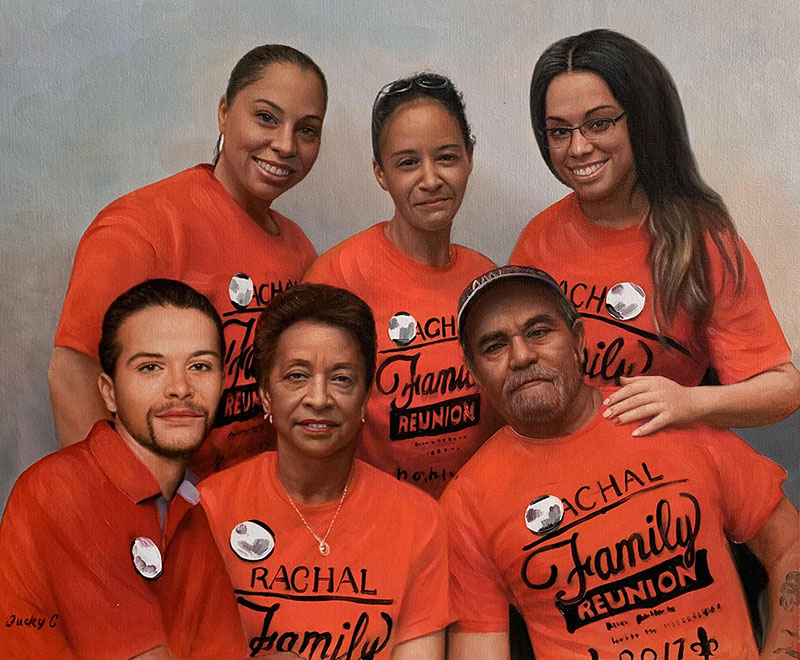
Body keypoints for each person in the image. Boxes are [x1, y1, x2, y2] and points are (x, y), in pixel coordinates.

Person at [442, 265, 800, 660]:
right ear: (474, 373)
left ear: (577, 340)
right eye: (494, 346)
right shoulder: (467, 503)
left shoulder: (666, 414)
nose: (522, 356)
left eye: (539, 332)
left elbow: (789, 545)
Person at [49, 44, 326, 476]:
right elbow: (72, 376)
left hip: (260, 506)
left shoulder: (300, 250)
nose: (285, 144)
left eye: (307, 130)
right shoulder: (141, 229)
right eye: (266, 117)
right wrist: (132, 505)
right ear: (223, 112)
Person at [510, 29, 800, 436]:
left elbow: (783, 389)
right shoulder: (537, 239)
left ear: (643, 120)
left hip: (670, 467)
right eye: (560, 131)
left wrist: (688, 401)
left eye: (599, 124)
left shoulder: (699, 240)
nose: (577, 149)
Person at [195, 283, 449, 658]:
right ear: (265, 392)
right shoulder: (210, 509)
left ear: (365, 396)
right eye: (296, 376)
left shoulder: (419, 520)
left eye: (341, 378)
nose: (318, 398)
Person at [0, 279, 248, 659]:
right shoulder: (61, 489)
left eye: (200, 366)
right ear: (109, 392)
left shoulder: (189, 509)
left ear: (223, 382)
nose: (180, 388)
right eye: (151, 367)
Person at [305, 72, 499, 497]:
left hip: (471, 517)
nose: (430, 180)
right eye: (408, 162)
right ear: (381, 173)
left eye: (446, 157)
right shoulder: (339, 277)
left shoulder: (487, 281)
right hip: (377, 520)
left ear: (469, 156)